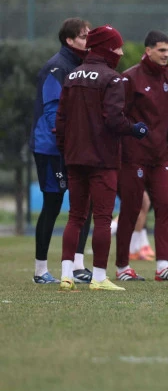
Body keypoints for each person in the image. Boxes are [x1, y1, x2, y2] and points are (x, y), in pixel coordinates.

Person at [55, 25, 147, 291]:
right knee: (103, 219)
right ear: (107, 48)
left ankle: (66, 275)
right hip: (102, 159)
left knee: (75, 217)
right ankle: (98, 277)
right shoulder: (113, 78)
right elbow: (114, 120)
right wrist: (134, 129)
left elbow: (60, 121)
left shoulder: (72, 76)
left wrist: (65, 150)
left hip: (75, 157)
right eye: (117, 47)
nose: (120, 52)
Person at [114, 30, 168, 283]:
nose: (167, 55)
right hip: (134, 156)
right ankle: (122, 266)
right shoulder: (129, 78)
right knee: (131, 209)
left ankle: (163, 265)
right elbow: (117, 116)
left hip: (161, 156)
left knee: (166, 206)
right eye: (162, 50)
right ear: (148, 51)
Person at [30, 17, 93, 284]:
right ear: (69, 40)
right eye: (83, 36)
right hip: (51, 148)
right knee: (53, 205)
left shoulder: (83, 66)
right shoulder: (56, 68)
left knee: (84, 204)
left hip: (73, 147)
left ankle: (78, 266)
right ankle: (40, 270)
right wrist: (66, 144)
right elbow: (53, 111)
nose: (88, 39)